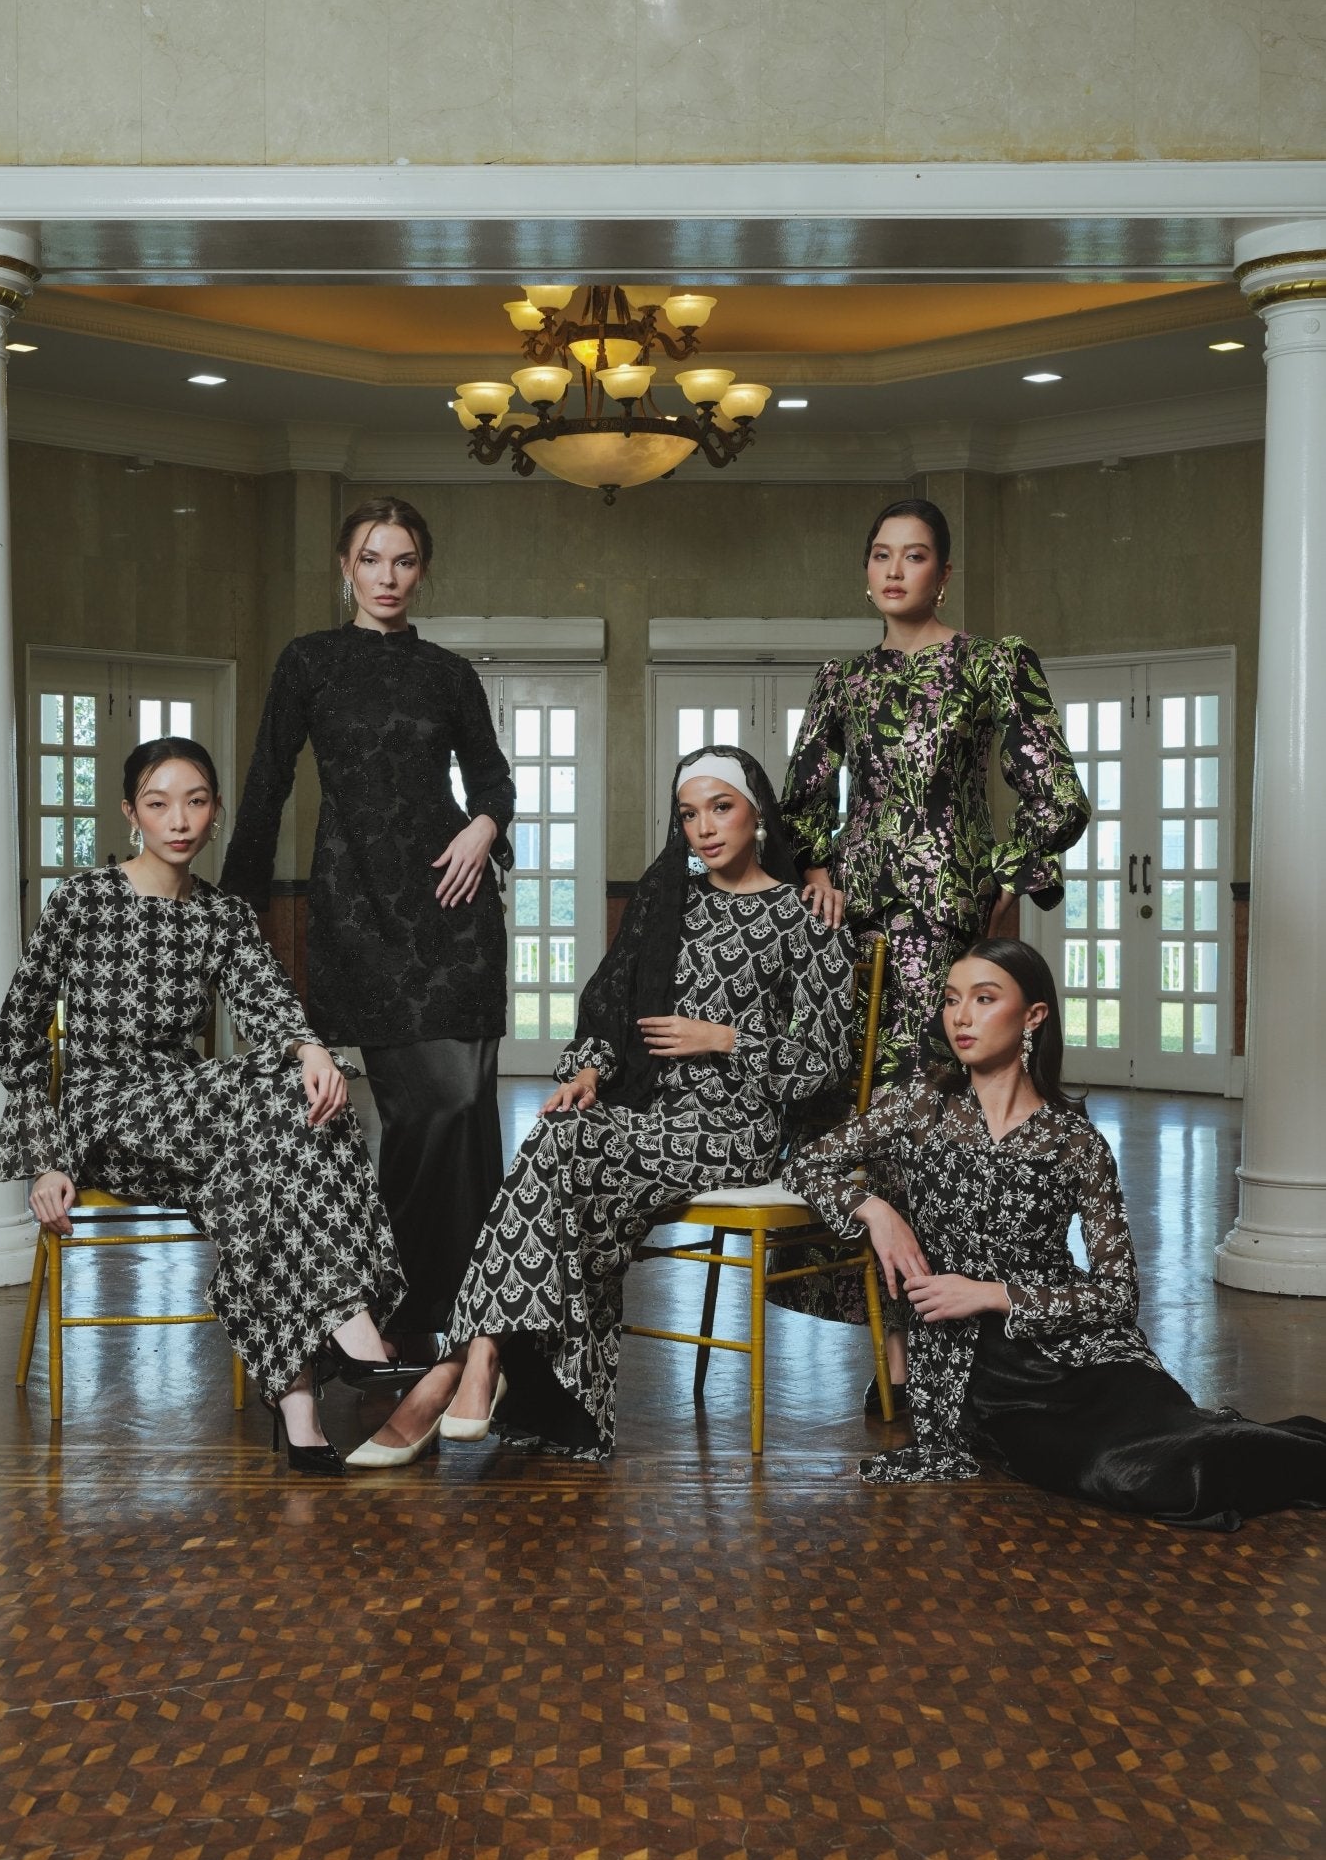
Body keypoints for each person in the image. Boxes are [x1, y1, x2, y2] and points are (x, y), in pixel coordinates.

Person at [348, 745, 857, 1466]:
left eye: (721, 808)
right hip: (649, 1116)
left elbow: (825, 1066)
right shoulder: (668, 902)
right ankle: (483, 1355)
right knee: (561, 1132)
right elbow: (613, 1013)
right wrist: (588, 1072)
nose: (705, 828)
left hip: (735, 1133)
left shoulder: (804, 918)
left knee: (559, 1152)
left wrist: (724, 1038)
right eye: (689, 814)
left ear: (758, 815)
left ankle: (461, 1362)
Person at [786, 939, 1326, 1529]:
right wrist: (877, 1211)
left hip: (1090, 1355)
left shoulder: (1075, 1142)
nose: (961, 1017)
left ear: (1033, 1015)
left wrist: (994, 1294)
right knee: (1127, 1474)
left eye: (984, 999)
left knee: (1175, 1440)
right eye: (951, 1000)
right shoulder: (921, 1106)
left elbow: (1118, 1294)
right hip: (984, 1376)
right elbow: (806, 1165)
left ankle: (1292, 1454)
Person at [0, 737, 413, 1476]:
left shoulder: (223, 915)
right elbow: (16, 1036)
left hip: (192, 1110)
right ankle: (352, 1325)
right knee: (284, 1108)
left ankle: (298, 1405)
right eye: (158, 804)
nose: (179, 820)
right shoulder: (82, 902)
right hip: (106, 1112)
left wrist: (310, 1049)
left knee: (274, 1143)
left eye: (194, 802)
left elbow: (267, 1002)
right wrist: (45, 1159)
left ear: (215, 811)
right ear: (132, 814)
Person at [776, 497, 1091, 1395]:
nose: (894, 570)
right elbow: (800, 800)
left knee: (930, 1125)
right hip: (850, 940)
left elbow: (1057, 795)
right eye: (880, 554)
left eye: (913, 556)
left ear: (941, 575)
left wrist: (1001, 873)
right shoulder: (840, 678)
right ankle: (890, 1353)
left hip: (941, 928)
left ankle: (942, 1350)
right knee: (852, 1124)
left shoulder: (991, 664)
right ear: (865, 570)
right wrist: (819, 867)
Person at [220, 497, 515, 1361]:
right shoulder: (309, 661)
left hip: (454, 905)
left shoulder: (449, 675)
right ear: (345, 567)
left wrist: (484, 826)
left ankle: (468, 1317)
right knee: (424, 1109)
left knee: (465, 1108)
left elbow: (493, 780)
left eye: (404, 561)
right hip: (362, 912)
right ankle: (398, 1308)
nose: (388, 577)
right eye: (372, 559)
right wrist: (233, 912)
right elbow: (267, 782)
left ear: (422, 570)